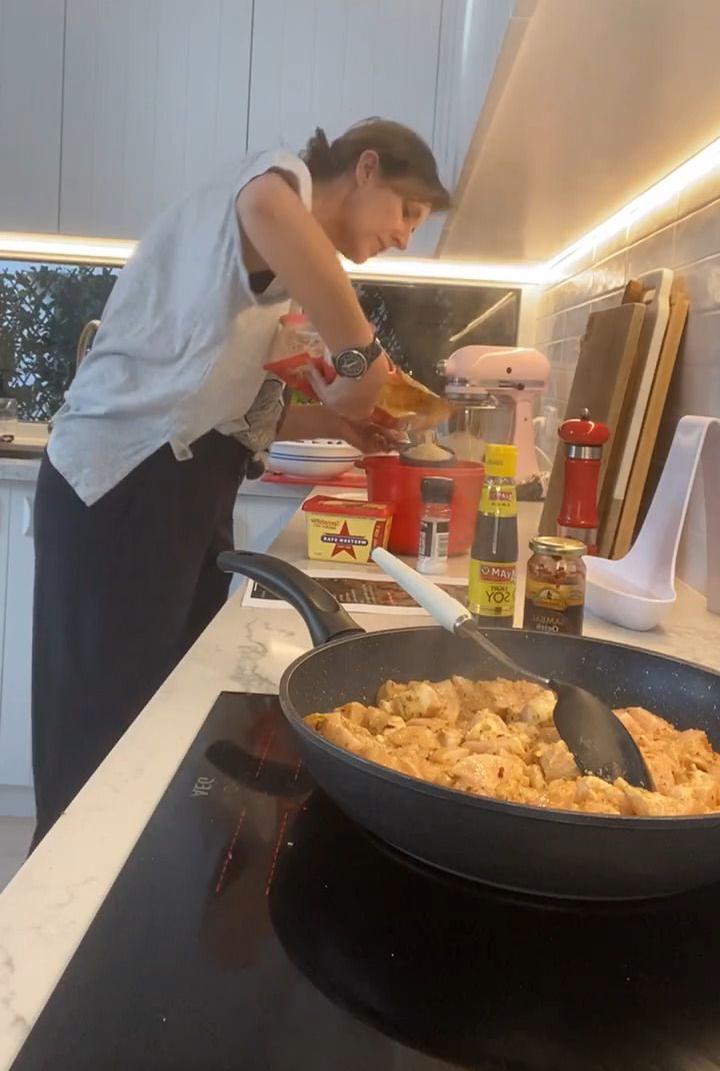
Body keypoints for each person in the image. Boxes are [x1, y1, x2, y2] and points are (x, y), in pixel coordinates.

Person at [31, 119, 450, 846]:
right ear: (365, 169)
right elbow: (266, 204)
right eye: (407, 211)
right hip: (121, 486)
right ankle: (58, 900)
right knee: (100, 727)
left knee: (159, 715)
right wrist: (362, 359)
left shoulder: (278, 279)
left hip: (180, 490)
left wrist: (339, 423)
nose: (406, 237)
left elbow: (226, 411)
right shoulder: (276, 184)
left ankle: (123, 876)